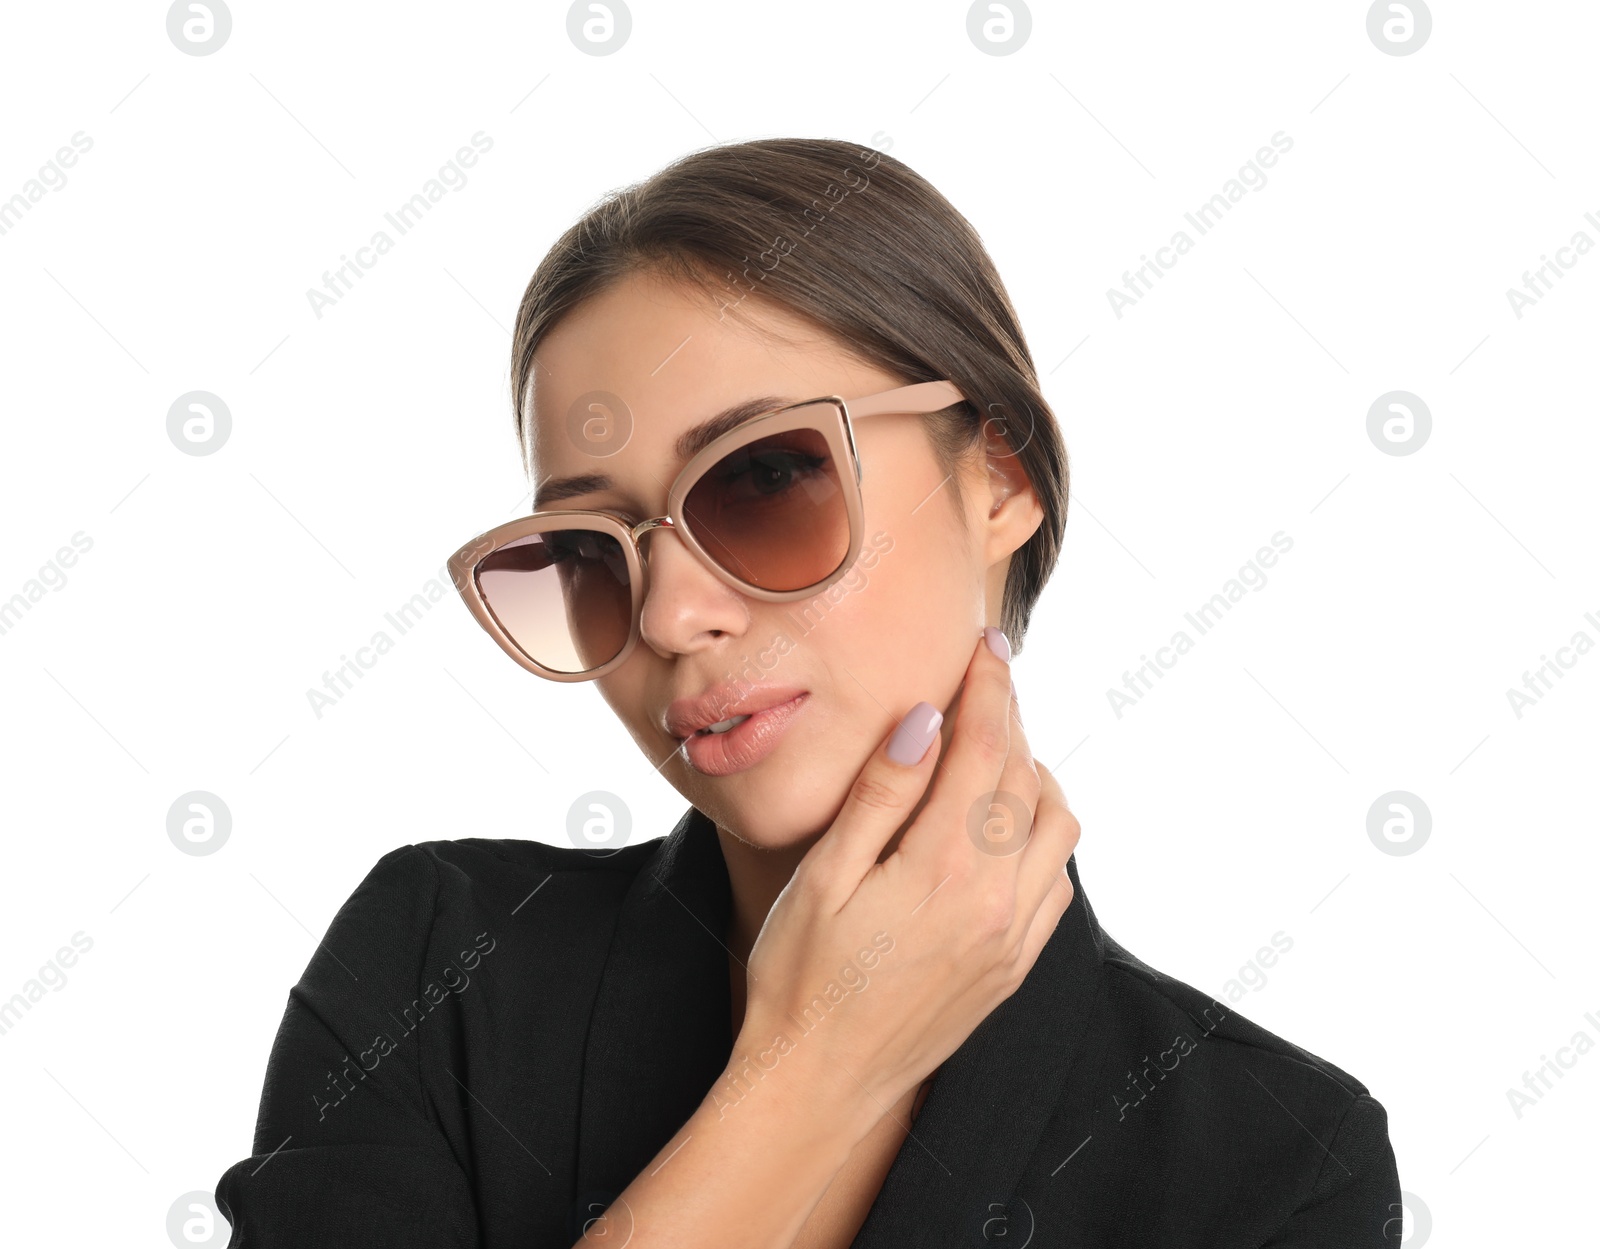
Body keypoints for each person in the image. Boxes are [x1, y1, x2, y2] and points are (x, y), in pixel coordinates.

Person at [214, 137, 1401, 1247]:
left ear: (999, 476)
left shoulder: (1270, 1157)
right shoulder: (445, 965)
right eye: (589, 548)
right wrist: (816, 1070)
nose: (674, 616)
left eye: (766, 477)